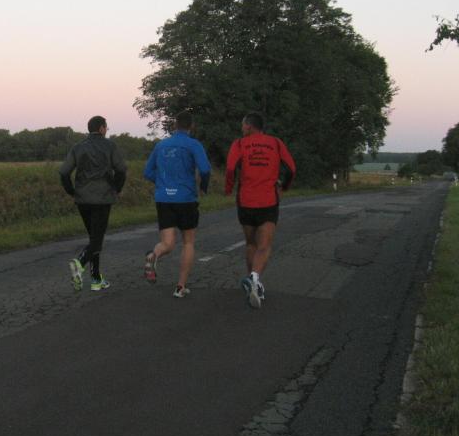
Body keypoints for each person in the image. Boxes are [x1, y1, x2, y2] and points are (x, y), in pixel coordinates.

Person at [224, 112, 296, 309]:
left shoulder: (239, 144)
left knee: (250, 244)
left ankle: (253, 285)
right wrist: (285, 186)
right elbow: (291, 168)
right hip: (268, 201)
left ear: (248, 126)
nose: (241, 129)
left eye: (242, 125)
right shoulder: (276, 143)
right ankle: (254, 279)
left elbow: (230, 169)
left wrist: (229, 188)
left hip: (245, 201)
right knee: (264, 246)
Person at [143, 111, 212, 298]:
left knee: (167, 243)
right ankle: (180, 287)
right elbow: (205, 169)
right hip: (186, 198)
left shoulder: (161, 145)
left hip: (164, 198)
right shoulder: (193, 144)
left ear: (175, 125)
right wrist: (203, 187)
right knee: (188, 242)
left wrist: (162, 184)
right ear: (191, 126)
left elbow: (147, 172)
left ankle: (153, 255)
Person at [60, 116, 127, 291]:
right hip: (102, 199)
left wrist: (72, 191)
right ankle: (79, 263)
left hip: (82, 199)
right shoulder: (110, 146)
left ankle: (96, 279)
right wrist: (117, 188)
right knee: (97, 240)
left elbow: (64, 172)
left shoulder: (78, 147)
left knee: (94, 239)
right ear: (102, 128)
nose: (106, 130)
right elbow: (121, 169)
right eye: (106, 127)